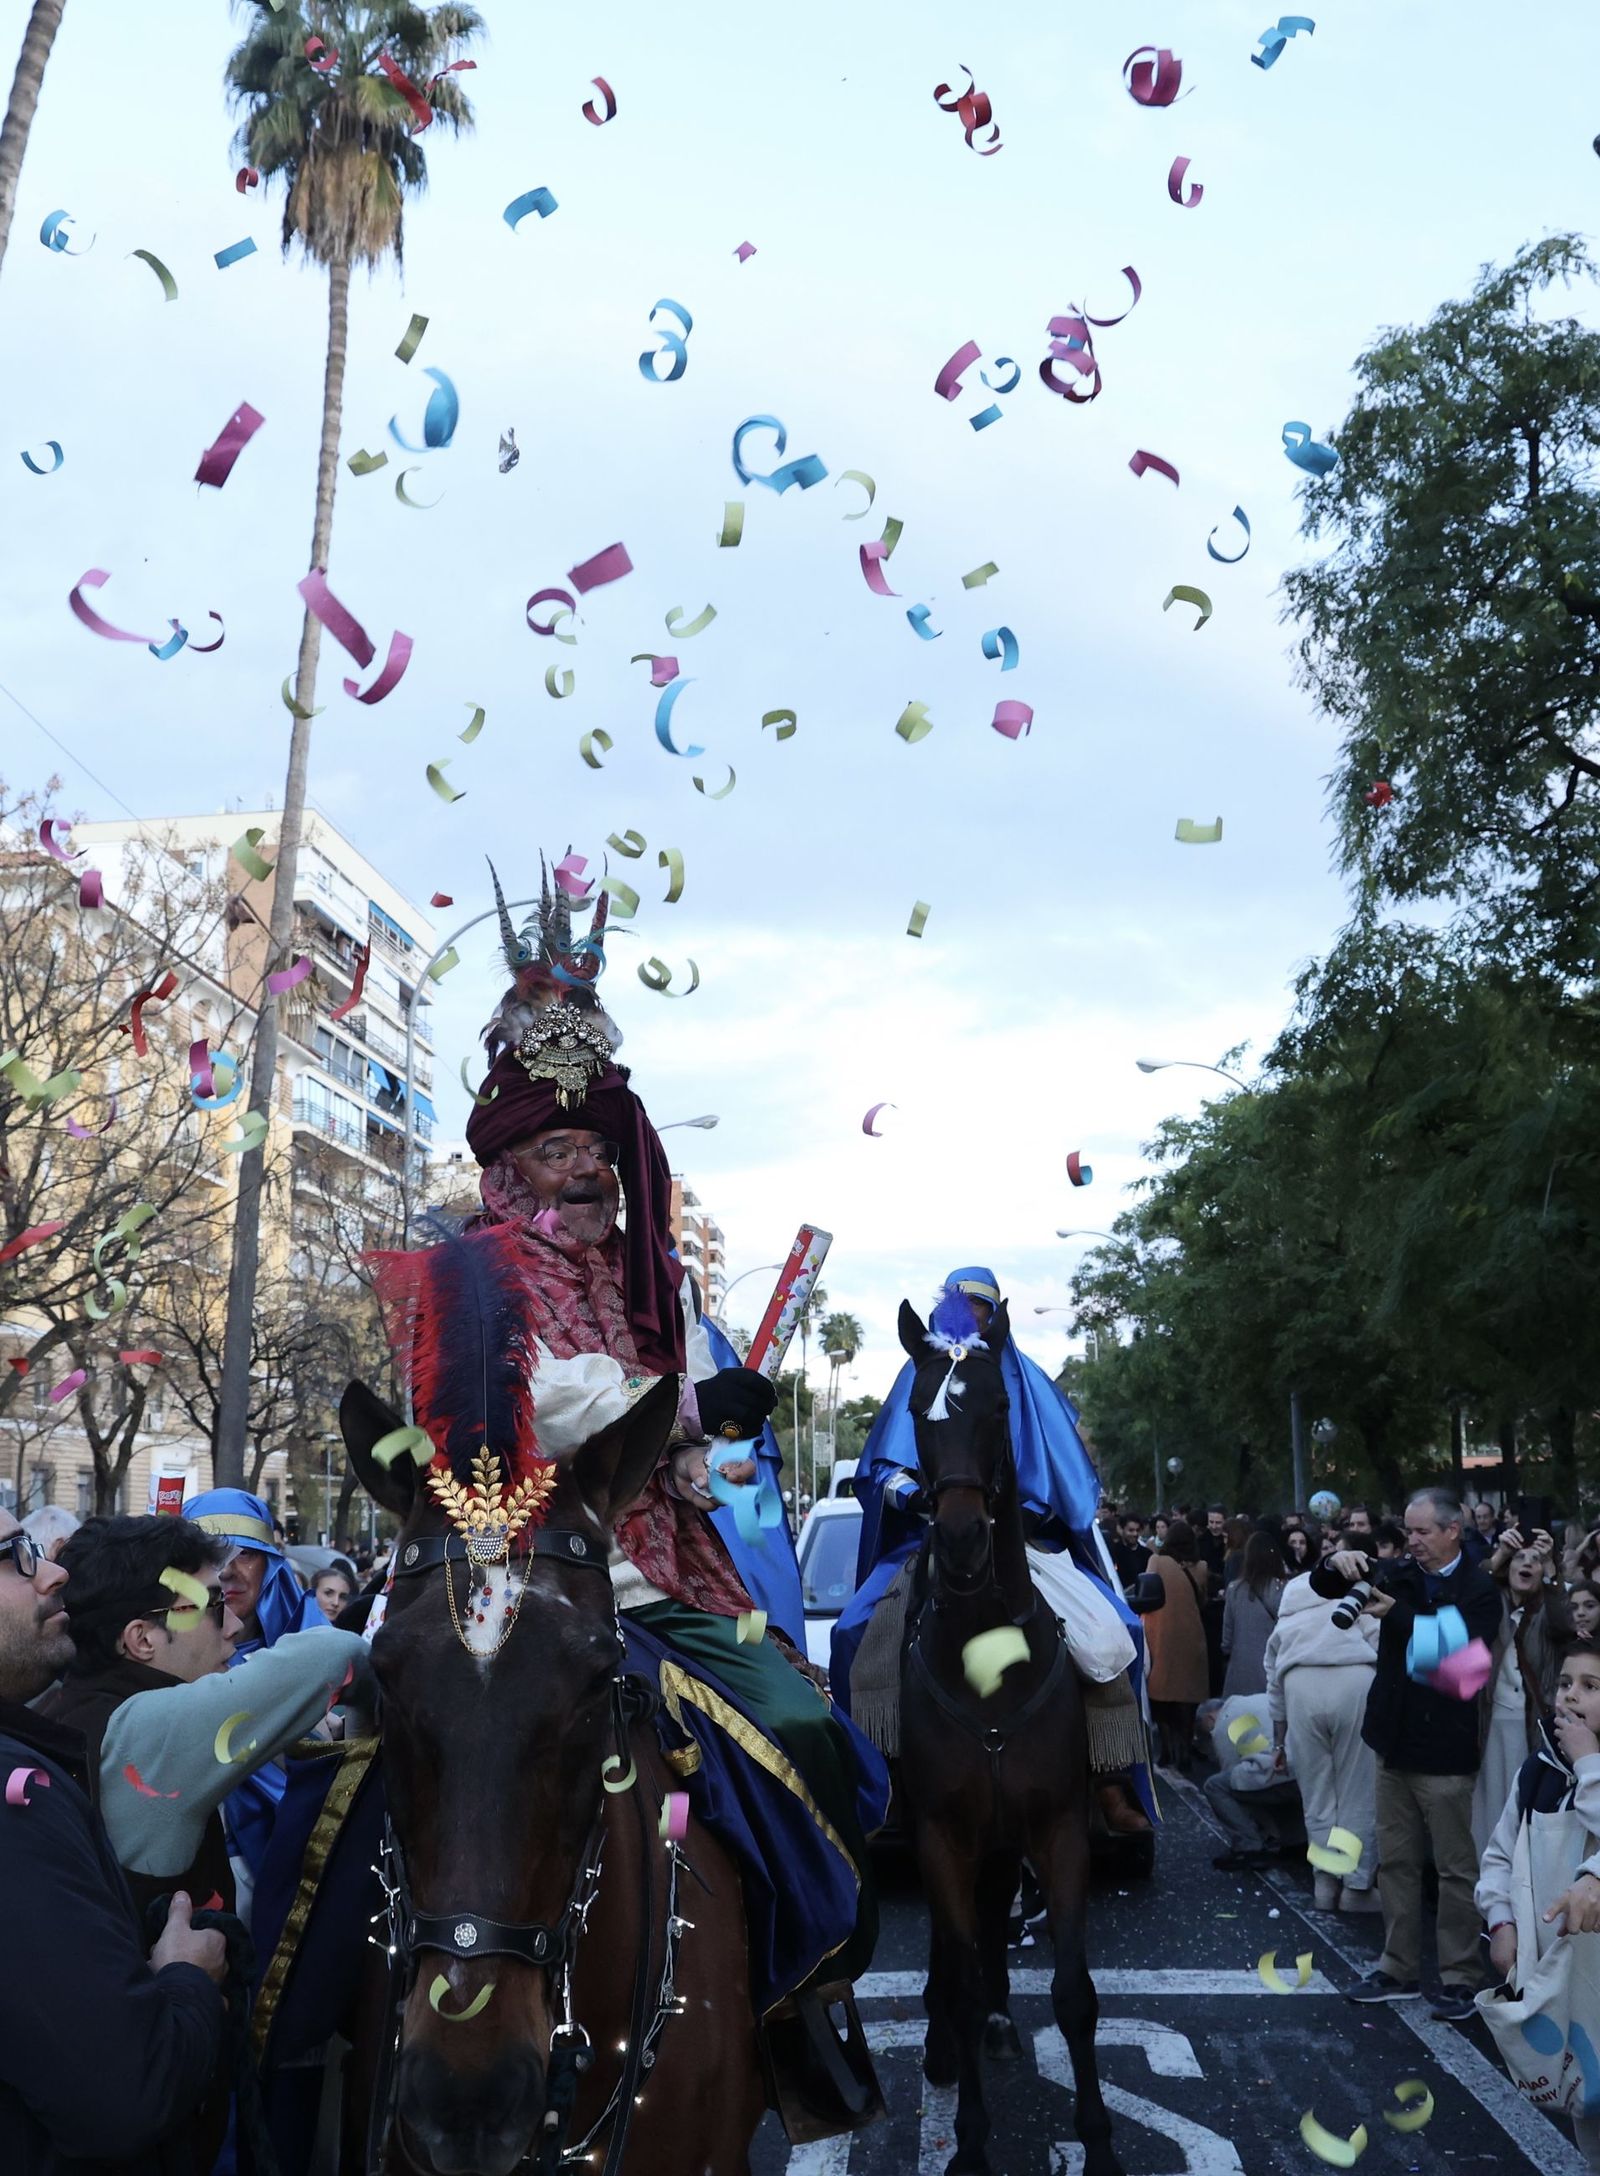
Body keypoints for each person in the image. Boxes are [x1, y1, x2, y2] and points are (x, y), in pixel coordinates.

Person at [835, 1267, 1153, 1834]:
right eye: (960, 1306)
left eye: (980, 1306)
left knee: (1118, 1629)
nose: (970, 1316)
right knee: (853, 1630)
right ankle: (875, 1783)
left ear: (995, 1314)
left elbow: (1064, 1474)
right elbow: (881, 1468)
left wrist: (1021, 1511)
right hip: (932, 1534)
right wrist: (912, 1498)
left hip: (1020, 1537)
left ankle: (1110, 1779)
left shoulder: (1024, 1378)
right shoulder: (920, 1373)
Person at [0, 1503, 228, 2173]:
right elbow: (128, 2095)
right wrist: (186, 1979)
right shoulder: (13, 1802)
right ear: (141, 1638)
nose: (51, 1574)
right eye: (15, 1556)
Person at [36, 1515, 368, 1918]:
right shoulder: (147, 1727)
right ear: (141, 1639)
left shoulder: (70, 1703)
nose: (233, 1624)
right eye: (214, 1604)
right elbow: (331, 1657)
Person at [1328, 1488, 1502, 2018]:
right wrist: (1334, 1561)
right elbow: (1323, 1588)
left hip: (1445, 1749)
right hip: (1393, 1741)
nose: (1414, 1542)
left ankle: (1460, 1976)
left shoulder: (1479, 1590)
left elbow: (1464, 1668)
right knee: (1396, 1864)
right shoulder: (1398, 1572)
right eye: (1408, 1531)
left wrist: (1400, 1617)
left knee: (1453, 1870)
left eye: (1424, 1531)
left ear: (1454, 1530)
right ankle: (1396, 1967)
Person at [1476, 1638, 1600, 2171]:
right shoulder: (1539, 1770)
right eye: (1565, 1684)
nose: (1571, 1696)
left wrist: (1590, 1763)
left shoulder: (1584, 1767)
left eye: (1591, 1688)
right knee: (1586, 2108)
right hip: (1561, 1985)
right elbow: (1500, 1854)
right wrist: (1500, 1920)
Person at [181, 1486, 328, 1912]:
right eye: (213, 1558)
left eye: (244, 1554)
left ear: (270, 1565)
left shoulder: (318, 1649)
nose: (228, 1572)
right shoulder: (160, 1655)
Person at [1263, 1570, 1380, 1911]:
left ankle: (1325, 1883)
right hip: (1354, 1679)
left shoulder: (1289, 1614)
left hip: (1300, 1685)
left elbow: (1273, 1681)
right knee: (1356, 1793)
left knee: (1317, 1796)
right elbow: (1381, 1645)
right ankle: (1356, 1886)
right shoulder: (1354, 1601)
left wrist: (1279, 1742)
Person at [1472, 1529, 1571, 1850]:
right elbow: (1464, 1593)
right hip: (1490, 1721)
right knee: (1487, 1809)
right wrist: (1498, 1554)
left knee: (1525, 1805)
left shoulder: (1549, 1608)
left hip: (1531, 1727)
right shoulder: (1490, 1599)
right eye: (1519, 1557)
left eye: (1536, 1560)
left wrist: (1554, 1573)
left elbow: (1565, 1626)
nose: (1527, 1564)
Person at [1200, 1694, 1305, 1869]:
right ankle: (1297, 1841)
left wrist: (1262, 1827)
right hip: (1309, 1763)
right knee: (1273, 1781)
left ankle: (1248, 1848)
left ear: (1210, 1717)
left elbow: (1234, 1778)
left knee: (1216, 1786)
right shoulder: (1256, 1701)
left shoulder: (1222, 1724)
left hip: (1282, 1765)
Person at [1144, 1517, 1211, 1771]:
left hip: (1161, 1633)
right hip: (1191, 1634)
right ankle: (1184, 1745)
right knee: (1187, 1694)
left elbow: (1147, 1591)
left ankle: (1166, 1749)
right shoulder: (1201, 1566)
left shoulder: (1157, 1561)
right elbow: (1202, 1600)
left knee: (1161, 1692)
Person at [1221, 1531, 1284, 1699]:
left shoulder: (1234, 1590)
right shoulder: (1283, 1589)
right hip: (1273, 1669)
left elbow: (1227, 1638)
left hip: (1241, 1671)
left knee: (1241, 1722)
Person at [1110, 1511, 1150, 1588]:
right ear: (1122, 1530)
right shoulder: (1112, 1552)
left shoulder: (1147, 1554)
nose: (1135, 1534)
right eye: (1131, 1530)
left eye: (1137, 1530)